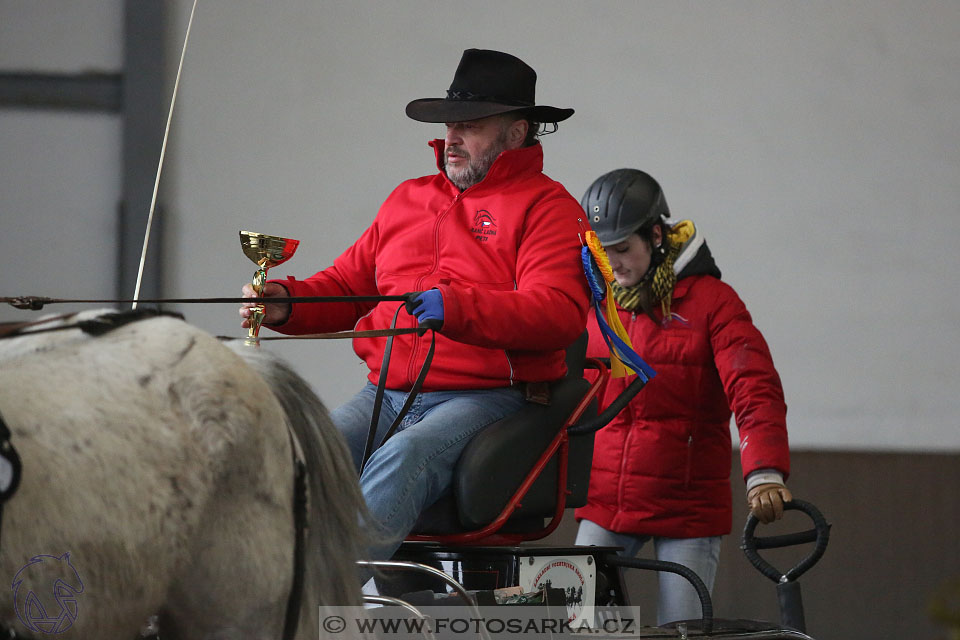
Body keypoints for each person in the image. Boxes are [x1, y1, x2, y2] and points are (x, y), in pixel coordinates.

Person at [240, 49, 590, 562]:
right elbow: (346, 286)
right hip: (387, 391)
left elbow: (555, 313)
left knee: (406, 454)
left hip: (491, 397)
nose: (452, 137)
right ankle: (257, 588)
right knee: (309, 447)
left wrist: (458, 307)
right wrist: (286, 303)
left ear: (516, 133)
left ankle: (322, 602)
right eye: (451, 124)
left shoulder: (550, 207)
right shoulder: (407, 198)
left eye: (470, 125)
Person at [574, 168, 792, 625]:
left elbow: (755, 387)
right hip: (606, 501)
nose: (613, 264)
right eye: (602, 251)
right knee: (579, 625)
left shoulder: (714, 302)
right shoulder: (595, 303)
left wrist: (765, 471)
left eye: (623, 249)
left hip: (686, 509)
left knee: (683, 631)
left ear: (655, 236)